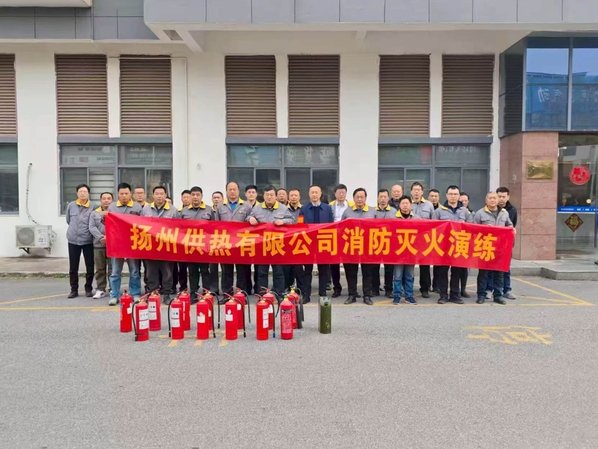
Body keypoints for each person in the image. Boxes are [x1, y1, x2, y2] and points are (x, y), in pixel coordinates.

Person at [248, 185, 294, 298]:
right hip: (262, 246)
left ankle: (279, 293)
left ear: (276, 196)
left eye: (272, 195)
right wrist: (250, 219)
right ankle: (262, 295)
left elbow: (292, 220)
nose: (269, 197)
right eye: (267, 195)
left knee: (278, 272)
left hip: (277, 245)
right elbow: (248, 217)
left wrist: (283, 221)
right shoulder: (257, 208)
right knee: (262, 272)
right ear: (263, 196)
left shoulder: (283, 208)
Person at [215, 181, 254, 302]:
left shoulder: (246, 205)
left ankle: (241, 295)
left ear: (238, 191)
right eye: (230, 189)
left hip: (241, 244)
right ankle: (227, 294)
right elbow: (216, 225)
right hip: (225, 243)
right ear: (226, 191)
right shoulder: (220, 206)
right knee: (226, 271)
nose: (232, 192)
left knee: (242, 271)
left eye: (234, 189)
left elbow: (251, 222)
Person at [474, 192, 515, 305]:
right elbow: (473, 229)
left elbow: (509, 225)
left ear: (498, 200)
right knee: (483, 273)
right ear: (486, 200)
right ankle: (481, 295)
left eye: (494, 198)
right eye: (490, 198)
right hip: (485, 247)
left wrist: (512, 229)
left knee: (499, 273)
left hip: (500, 248)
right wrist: (484, 229)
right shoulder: (480, 213)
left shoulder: (504, 213)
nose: (492, 200)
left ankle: (498, 295)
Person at [433, 185, 469, 305]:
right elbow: (433, 228)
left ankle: (455, 295)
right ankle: (443, 295)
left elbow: (471, 227)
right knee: (442, 272)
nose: (453, 196)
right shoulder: (439, 211)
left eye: (455, 194)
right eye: (451, 194)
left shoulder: (464, 211)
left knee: (456, 272)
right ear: (446, 195)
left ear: (459, 196)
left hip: (459, 246)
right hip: (443, 247)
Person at [142, 186, 178, 304]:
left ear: (165, 195)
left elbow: (178, 228)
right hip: (150, 246)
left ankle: (167, 294)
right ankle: (153, 293)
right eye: (157, 193)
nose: (159, 196)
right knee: (151, 272)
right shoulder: (146, 210)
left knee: (167, 271)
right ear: (153, 195)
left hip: (166, 246)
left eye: (161, 193)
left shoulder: (173, 210)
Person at [108, 183, 143, 305]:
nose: (124, 196)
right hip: (117, 245)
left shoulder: (137, 207)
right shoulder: (112, 207)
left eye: (126, 193)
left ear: (130, 194)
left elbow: (143, 225)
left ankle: (135, 293)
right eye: (121, 194)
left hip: (132, 244)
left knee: (134, 271)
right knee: (115, 272)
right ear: (118, 194)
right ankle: (114, 295)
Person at [298, 185, 334, 304]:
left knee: (323, 270)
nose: (314, 195)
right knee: (307, 271)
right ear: (309, 194)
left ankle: (322, 294)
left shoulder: (327, 208)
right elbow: (300, 225)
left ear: (320, 194)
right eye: (312, 192)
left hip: (323, 242)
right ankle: (306, 295)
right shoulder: (303, 209)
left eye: (316, 192)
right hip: (308, 243)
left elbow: (331, 225)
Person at [342, 188, 376, 305]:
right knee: (351, 272)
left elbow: (378, 228)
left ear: (365, 198)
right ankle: (352, 295)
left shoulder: (372, 211)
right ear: (354, 198)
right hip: (351, 247)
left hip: (367, 247)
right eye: (357, 197)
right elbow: (341, 229)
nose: (360, 199)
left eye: (362, 197)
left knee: (367, 273)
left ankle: (367, 296)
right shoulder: (347, 212)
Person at [180, 186, 213, 303]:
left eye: (197, 195)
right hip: (190, 247)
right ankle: (193, 294)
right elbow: (179, 228)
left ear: (202, 196)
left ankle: (206, 293)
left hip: (204, 247)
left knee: (205, 271)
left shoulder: (209, 210)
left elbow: (215, 228)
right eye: (193, 195)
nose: (195, 197)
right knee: (192, 271)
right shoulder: (184, 211)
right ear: (190, 196)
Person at [65, 183, 96, 299]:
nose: (82, 193)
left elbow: (95, 222)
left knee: (90, 266)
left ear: (88, 193)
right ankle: (74, 290)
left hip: (88, 240)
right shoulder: (71, 205)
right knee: (73, 267)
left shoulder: (94, 206)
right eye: (80, 191)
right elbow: (68, 220)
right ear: (77, 193)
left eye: (85, 191)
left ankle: (88, 288)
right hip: (73, 240)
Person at [410, 182, 435, 299]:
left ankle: (425, 288)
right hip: (409, 239)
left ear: (422, 192)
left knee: (424, 266)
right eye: (414, 190)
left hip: (424, 240)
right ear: (411, 192)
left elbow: (434, 222)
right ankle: (408, 288)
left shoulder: (429, 205)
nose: (416, 192)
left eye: (418, 190)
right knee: (408, 265)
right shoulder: (406, 203)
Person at [329, 184, 353, 298]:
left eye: (343, 192)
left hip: (348, 238)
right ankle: (337, 288)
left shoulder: (351, 206)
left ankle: (352, 289)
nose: (341, 194)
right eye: (339, 192)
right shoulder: (330, 206)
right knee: (334, 265)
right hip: (334, 238)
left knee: (349, 265)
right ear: (335, 194)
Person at [394, 196, 418, 304]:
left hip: (411, 252)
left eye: (407, 203)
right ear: (399, 205)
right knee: (397, 276)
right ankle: (397, 295)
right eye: (403, 203)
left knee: (409, 275)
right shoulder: (393, 218)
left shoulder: (416, 218)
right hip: (398, 252)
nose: (405, 205)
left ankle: (409, 295)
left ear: (410, 205)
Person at [89, 192, 113, 299]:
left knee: (113, 269)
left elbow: (118, 227)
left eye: (109, 198)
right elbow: (92, 227)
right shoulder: (94, 213)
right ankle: (100, 289)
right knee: (100, 269)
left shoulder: (115, 212)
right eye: (104, 198)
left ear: (112, 200)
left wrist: (109, 238)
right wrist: (102, 237)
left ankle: (113, 289)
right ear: (100, 200)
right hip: (98, 245)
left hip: (112, 245)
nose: (106, 200)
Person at [496, 187, 518, 300]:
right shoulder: (491, 208)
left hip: (506, 244)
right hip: (492, 244)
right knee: (490, 268)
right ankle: (489, 289)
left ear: (508, 197)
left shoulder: (512, 210)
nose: (501, 199)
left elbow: (511, 225)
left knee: (505, 268)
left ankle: (507, 290)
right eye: (499, 196)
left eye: (503, 196)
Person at [372, 189, 395, 298]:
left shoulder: (394, 211)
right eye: (381, 197)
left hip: (389, 243)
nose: (382, 199)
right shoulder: (372, 211)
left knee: (389, 268)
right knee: (374, 268)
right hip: (375, 243)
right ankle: (375, 289)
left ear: (388, 198)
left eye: (385, 197)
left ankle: (388, 289)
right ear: (377, 198)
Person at [284, 188, 303, 290]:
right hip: (287, 241)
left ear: (299, 197)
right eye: (291, 195)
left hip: (300, 242)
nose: (294, 197)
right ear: (288, 197)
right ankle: (287, 287)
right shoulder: (283, 210)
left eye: (296, 195)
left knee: (298, 267)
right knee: (287, 267)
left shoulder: (303, 209)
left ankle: (300, 288)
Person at [243, 184, 260, 294]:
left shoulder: (261, 206)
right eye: (249, 192)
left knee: (258, 266)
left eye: (253, 192)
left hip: (258, 240)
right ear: (245, 194)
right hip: (245, 240)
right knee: (245, 266)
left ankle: (258, 287)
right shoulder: (241, 206)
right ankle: (247, 288)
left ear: (256, 194)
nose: (251, 194)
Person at [133, 186, 149, 293]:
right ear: (133, 195)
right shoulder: (131, 207)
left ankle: (149, 287)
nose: (139, 195)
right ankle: (136, 289)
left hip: (147, 241)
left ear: (145, 195)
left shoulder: (149, 208)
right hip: (134, 241)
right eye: (137, 193)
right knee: (135, 268)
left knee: (149, 267)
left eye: (141, 193)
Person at [458, 192, 473, 298]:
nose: (463, 202)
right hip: (450, 242)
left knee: (464, 268)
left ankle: (463, 289)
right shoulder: (454, 211)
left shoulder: (471, 213)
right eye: (461, 200)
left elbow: (473, 227)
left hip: (465, 243)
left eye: (465, 201)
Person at [209, 191, 224, 294]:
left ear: (222, 199)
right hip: (211, 243)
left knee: (225, 268)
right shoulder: (208, 211)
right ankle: (214, 289)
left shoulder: (224, 210)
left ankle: (225, 289)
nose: (216, 199)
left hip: (224, 242)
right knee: (213, 268)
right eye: (214, 197)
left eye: (218, 197)